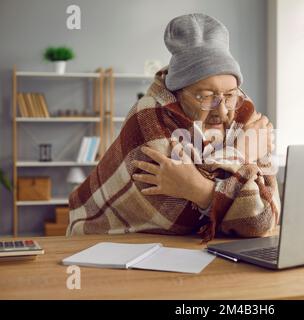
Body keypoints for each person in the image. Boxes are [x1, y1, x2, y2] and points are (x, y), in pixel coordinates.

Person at [67, 13, 280, 242]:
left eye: (229, 95)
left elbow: (264, 218)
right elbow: (184, 219)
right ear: (178, 92)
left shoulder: (242, 110)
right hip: (103, 242)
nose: (223, 111)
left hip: (182, 247)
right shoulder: (148, 116)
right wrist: (244, 155)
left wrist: (199, 188)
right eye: (206, 97)